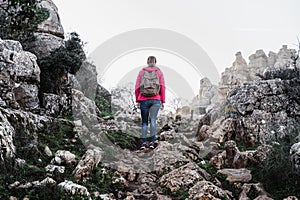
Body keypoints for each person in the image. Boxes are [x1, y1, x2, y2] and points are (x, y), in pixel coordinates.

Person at [135, 56, 165, 150]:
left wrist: (137, 99)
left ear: (147, 62)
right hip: (156, 99)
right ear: (155, 62)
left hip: (143, 99)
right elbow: (162, 87)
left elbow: (137, 87)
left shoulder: (141, 72)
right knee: (153, 121)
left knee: (144, 122)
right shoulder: (159, 72)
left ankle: (143, 143)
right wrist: (162, 101)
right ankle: (152, 143)